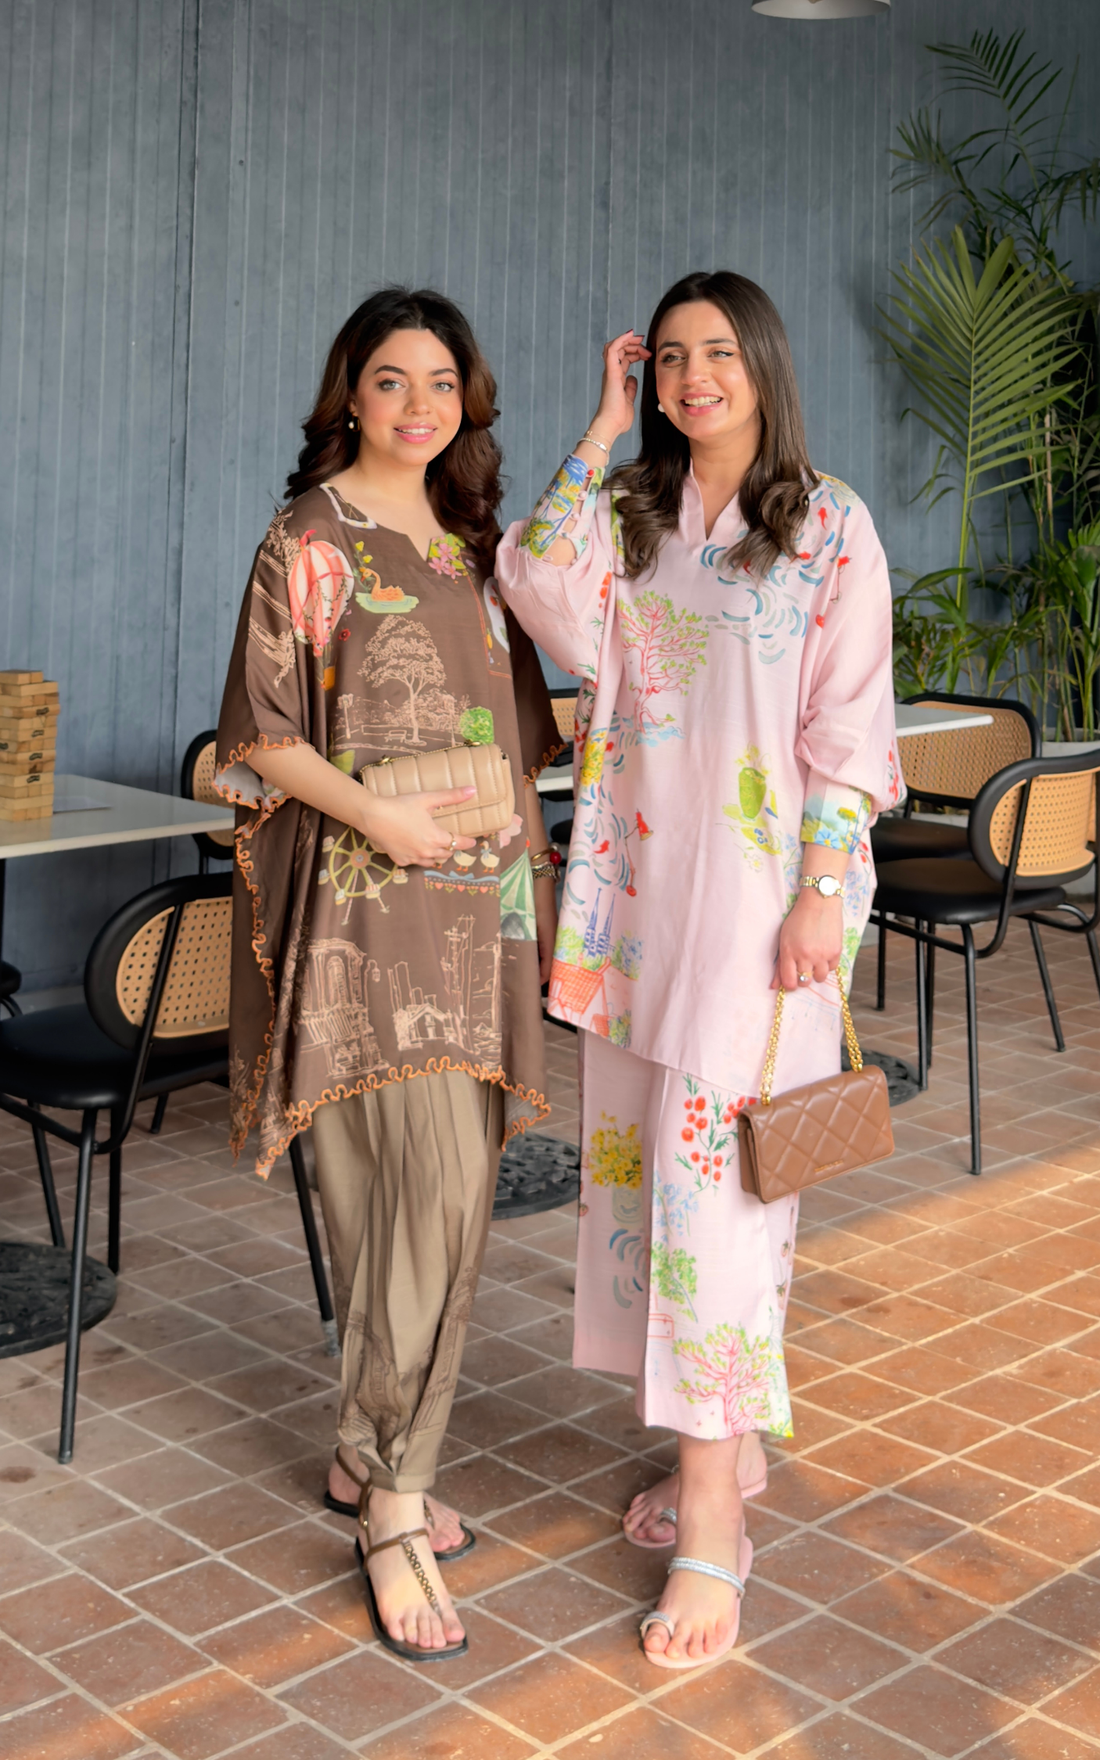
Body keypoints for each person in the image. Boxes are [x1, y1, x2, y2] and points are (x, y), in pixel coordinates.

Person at [496, 270, 900, 1669]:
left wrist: (822, 895)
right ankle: (722, 1443)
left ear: (762, 362)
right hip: (636, 911)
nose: (692, 378)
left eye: (716, 352)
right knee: (650, 1194)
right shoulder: (634, 517)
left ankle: (717, 1521)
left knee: (719, 1201)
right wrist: (600, 429)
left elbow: (852, 731)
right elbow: (530, 580)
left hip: (758, 919)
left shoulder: (830, 526)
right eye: (668, 358)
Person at [216, 286, 561, 1662]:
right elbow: (262, 735)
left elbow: (520, 728)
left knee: (441, 1199)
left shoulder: (473, 546)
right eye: (390, 381)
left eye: (442, 384)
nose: (419, 407)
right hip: (368, 915)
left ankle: (365, 1454)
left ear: (467, 401)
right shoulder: (307, 540)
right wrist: (384, 821)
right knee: (407, 1203)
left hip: (482, 914)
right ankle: (396, 1506)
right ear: (347, 394)